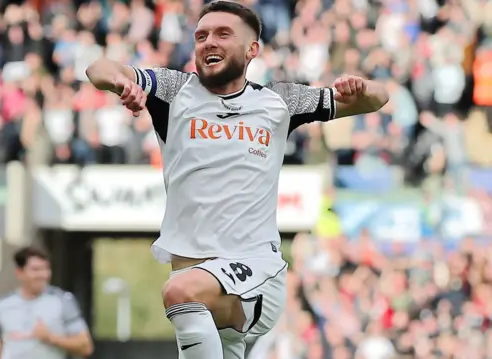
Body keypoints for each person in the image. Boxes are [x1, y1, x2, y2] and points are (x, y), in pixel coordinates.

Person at [86, 1, 389, 358]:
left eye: (222, 34)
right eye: (201, 36)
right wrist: (121, 80)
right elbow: (97, 68)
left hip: (253, 274)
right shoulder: (173, 91)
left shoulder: (279, 101)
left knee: (177, 291)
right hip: (201, 296)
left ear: (252, 49)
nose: (208, 42)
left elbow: (377, 98)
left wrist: (362, 89)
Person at [0, 247, 93, 359]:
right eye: (36, 270)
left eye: (46, 269)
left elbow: (85, 346)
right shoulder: (2, 305)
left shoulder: (62, 301)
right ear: (20, 273)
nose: (43, 275)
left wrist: (51, 338)